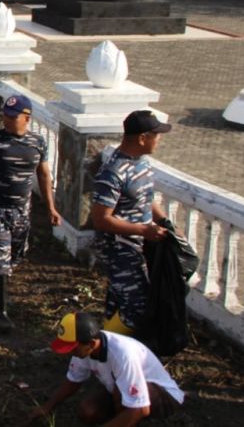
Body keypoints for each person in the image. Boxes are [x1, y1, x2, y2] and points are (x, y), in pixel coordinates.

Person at [0, 94, 60, 333]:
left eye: (12, 117)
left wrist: (50, 207)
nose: (6, 120)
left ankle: (0, 283)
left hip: (21, 211)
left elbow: (44, 175)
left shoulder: (38, 143)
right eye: (4, 115)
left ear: (27, 118)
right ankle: (0, 312)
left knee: (16, 254)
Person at [92, 110, 172, 334]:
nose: (160, 139)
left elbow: (147, 199)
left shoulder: (142, 164)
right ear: (142, 138)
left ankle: (107, 345)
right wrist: (142, 230)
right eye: (156, 134)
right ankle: (112, 347)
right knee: (137, 305)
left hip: (139, 244)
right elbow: (101, 219)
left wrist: (164, 221)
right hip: (119, 248)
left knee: (119, 299)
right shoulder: (113, 173)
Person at [30, 312, 184, 425]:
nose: (70, 353)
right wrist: (47, 407)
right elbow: (73, 380)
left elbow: (140, 408)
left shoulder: (123, 355)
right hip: (124, 393)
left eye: (72, 348)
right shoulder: (83, 351)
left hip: (163, 398)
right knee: (88, 411)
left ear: (91, 344)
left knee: (120, 391)